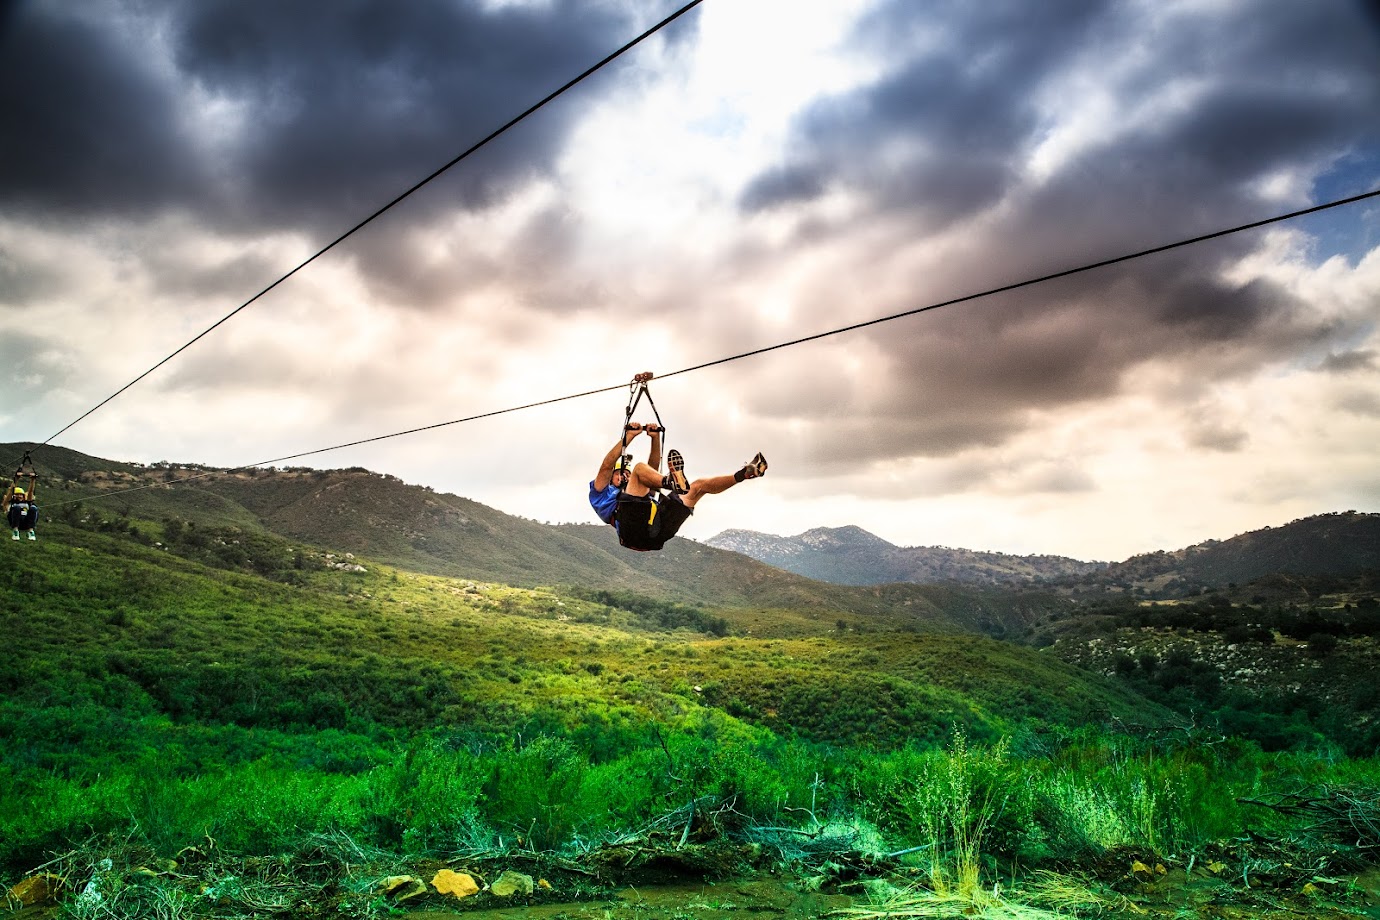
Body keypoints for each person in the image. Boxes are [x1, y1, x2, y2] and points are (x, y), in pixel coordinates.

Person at [589, 422, 767, 551]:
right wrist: (627, 438)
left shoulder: (636, 489)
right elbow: (606, 466)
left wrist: (655, 439)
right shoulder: (601, 494)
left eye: (626, 474)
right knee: (639, 469)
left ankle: (745, 474)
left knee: (697, 487)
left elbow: (650, 472)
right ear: (612, 476)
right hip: (631, 530)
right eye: (621, 474)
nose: (625, 477)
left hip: (657, 532)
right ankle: (670, 482)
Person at [3, 467, 38, 541]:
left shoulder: (26, 502)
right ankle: (15, 531)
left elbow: (30, 492)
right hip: (15, 521)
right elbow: (10, 492)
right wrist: (16, 479)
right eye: (17, 494)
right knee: (17, 507)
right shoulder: (11, 503)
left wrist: (33, 480)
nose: (19, 496)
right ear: (14, 495)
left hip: (26, 522)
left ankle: (31, 531)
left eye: (21, 494)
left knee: (33, 508)